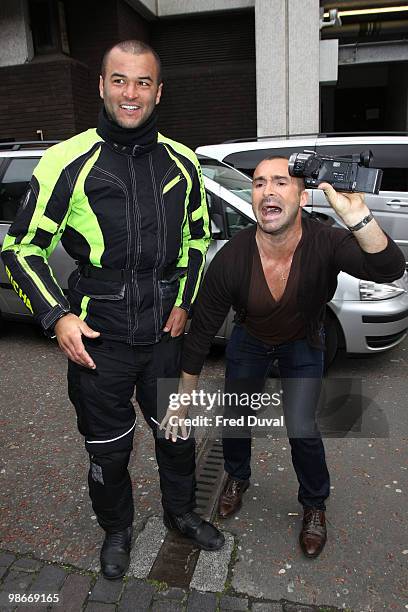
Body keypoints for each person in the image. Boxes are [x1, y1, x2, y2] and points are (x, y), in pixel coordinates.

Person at [1, 39, 224, 581]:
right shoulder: (65, 160)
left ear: (159, 91)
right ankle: (117, 531)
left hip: (164, 335)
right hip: (99, 340)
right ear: (101, 85)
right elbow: (20, 247)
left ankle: (181, 514)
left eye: (142, 82)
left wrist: (185, 302)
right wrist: (57, 316)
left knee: (176, 435)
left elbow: (198, 241)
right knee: (109, 453)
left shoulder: (184, 161)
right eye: (119, 80)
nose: (131, 93)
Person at [164, 156, 405, 559]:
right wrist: (184, 396)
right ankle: (237, 478)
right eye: (259, 184)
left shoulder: (325, 240)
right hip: (251, 338)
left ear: (301, 194)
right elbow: (201, 331)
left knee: (301, 427)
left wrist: (359, 217)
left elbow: (388, 268)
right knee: (236, 417)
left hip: (303, 341)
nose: (268, 191)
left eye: (280, 182)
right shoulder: (233, 257)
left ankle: (314, 504)